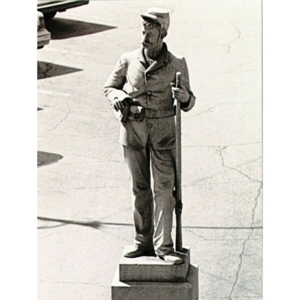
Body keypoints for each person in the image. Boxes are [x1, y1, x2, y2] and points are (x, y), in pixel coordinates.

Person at [103, 7, 196, 265]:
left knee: (165, 189)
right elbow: (109, 86)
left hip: (164, 135)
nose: (145, 37)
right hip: (133, 133)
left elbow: (190, 102)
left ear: (162, 33)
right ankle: (142, 241)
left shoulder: (177, 64)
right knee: (140, 189)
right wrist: (119, 96)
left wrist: (184, 97)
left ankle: (164, 247)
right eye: (143, 31)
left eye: (150, 32)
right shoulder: (128, 59)